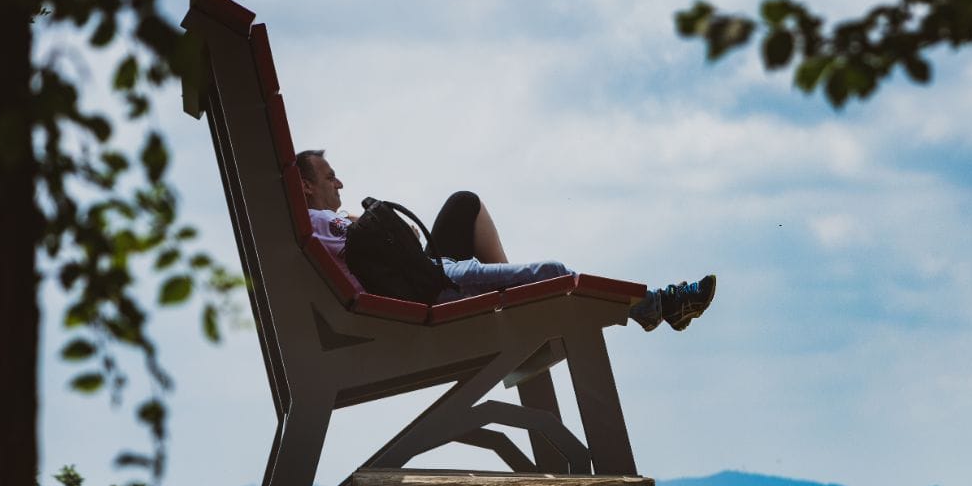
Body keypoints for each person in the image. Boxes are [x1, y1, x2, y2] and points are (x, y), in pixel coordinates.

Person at [295, 149, 715, 332]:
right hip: (421, 293)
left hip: (417, 280)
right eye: (330, 176)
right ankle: (654, 306)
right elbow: (395, 240)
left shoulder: (317, 226)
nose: (341, 182)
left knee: (464, 203)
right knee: (551, 274)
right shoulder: (318, 224)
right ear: (306, 187)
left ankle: (516, 305)